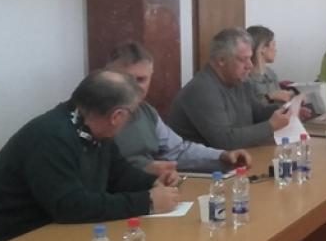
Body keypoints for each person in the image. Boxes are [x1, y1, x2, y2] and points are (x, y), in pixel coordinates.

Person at [0, 70, 181, 241]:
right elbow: (70, 206)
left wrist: (153, 182)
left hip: (53, 235)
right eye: (132, 113)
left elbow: (118, 174)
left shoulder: (94, 129)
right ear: (117, 116)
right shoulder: (51, 137)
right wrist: (147, 202)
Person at [106, 42, 251, 175]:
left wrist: (222, 156)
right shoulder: (98, 113)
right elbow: (100, 171)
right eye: (127, 79)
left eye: (141, 80)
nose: (134, 86)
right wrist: (144, 170)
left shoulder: (147, 112)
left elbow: (177, 151)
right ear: (108, 76)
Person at [169, 28, 291, 149]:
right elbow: (225, 141)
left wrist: (286, 110)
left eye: (250, 58)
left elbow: (257, 113)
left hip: (238, 155)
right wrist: (270, 126)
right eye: (243, 59)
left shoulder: (240, 82)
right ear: (221, 60)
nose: (250, 65)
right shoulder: (201, 90)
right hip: (201, 160)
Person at [246, 25, 293, 104]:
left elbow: (281, 103)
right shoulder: (245, 77)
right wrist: (270, 97)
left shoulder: (271, 73)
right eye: (273, 45)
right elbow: (247, 107)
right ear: (262, 48)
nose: (275, 50)